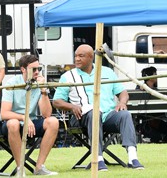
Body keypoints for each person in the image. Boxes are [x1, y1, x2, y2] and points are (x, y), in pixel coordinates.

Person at [53, 44, 144, 172]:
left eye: (81, 56)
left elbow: (123, 93)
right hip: (82, 117)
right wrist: (72, 106)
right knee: (94, 112)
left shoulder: (107, 72)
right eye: (76, 56)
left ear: (91, 57)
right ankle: (98, 158)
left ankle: (132, 157)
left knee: (125, 114)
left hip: (107, 115)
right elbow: (56, 101)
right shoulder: (68, 76)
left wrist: (122, 103)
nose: (77, 59)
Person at [0, 54, 59, 176]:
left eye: (39, 69)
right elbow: (4, 113)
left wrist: (43, 91)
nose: (37, 72)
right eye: (34, 69)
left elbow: (46, 114)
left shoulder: (38, 83)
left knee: (53, 121)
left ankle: (39, 167)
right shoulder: (11, 83)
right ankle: (20, 169)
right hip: (13, 123)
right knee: (13, 123)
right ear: (23, 69)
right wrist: (24, 118)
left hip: (31, 123)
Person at [136, 66, 167, 144]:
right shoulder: (140, 88)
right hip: (147, 122)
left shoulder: (159, 87)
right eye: (155, 74)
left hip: (158, 120)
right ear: (150, 77)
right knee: (156, 135)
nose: (157, 76)